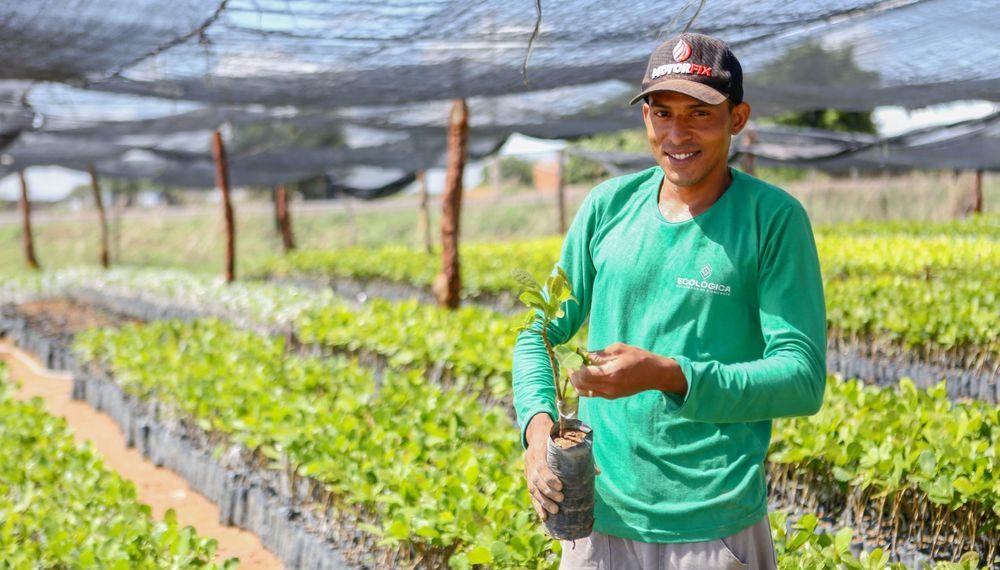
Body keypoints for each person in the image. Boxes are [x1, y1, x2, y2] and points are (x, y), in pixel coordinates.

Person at [512, 32, 827, 570]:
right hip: (598, 520)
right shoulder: (607, 206)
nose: (677, 134)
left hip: (712, 524)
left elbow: (801, 378)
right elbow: (539, 332)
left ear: (738, 118)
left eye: (699, 114)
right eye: (661, 113)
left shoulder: (772, 220)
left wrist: (670, 374)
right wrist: (538, 427)